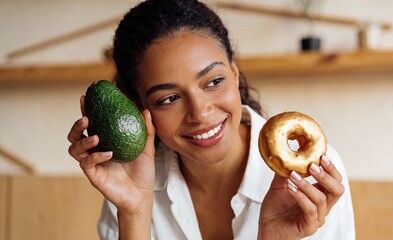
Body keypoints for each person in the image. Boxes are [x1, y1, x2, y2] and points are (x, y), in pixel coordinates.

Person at [67, 0, 355, 239]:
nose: (200, 113)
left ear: (234, 72)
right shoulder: (132, 183)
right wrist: (135, 212)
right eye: (169, 98)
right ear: (138, 107)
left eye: (214, 81)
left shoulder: (312, 180)